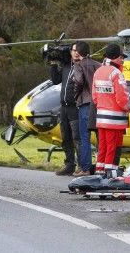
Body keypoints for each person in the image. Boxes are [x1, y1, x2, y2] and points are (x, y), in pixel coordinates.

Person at [91, 43, 130, 178]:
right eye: (121, 57)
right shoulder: (116, 73)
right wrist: (129, 107)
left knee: (103, 146)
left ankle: (99, 171)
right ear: (117, 57)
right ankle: (110, 174)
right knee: (112, 147)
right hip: (115, 119)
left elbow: (94, 97)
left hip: (101, 117)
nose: (122, 60)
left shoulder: (98, 71)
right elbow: (122, 98)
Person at [50, 43, 82, 176]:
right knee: (66, 137)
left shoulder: (82, 67)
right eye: (73, 50)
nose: (75, 53)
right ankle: (69, 164)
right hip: (64, 107)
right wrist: (52, 64)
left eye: (77, 51)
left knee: (77, 137)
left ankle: (82, 165)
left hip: (75, 107)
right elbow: (55, 80)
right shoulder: (67, 67)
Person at [73, 41, 101, 176]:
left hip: (85, 104)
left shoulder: (79, 66)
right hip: (99, 104)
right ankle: (102, 166)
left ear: (78, 52)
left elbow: (78, 81)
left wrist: (75, 95)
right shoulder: (98, 65)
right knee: (100, 137)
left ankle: (85, 168)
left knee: (85, 137)